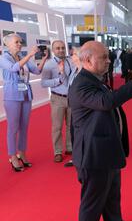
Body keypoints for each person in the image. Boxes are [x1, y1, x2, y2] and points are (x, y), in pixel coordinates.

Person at [69, 41, 132, 221]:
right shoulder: (82, 84)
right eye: (103, 57)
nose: (108, 60)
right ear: (87, 60)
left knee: (112, 193)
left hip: (105, 149)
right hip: (93, 154)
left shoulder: (94, 79)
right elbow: (107, 102)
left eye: (107, 56)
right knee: (93, 201)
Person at [0, 34, 49, 171]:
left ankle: (22, 152)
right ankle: (13, 156)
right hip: (12, 95)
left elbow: (37, 71)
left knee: (24, 126)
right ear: (8, 44)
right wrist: (30, 55)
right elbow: (14, 68)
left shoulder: (22, 57)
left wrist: (44, 59)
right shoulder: (3, 58)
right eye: (16, 42)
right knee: (13, 127)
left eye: (20, 42)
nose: (19, 44)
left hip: (26, 93)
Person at [41, 40, 76, 163]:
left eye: (62, 47)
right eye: (58, 48)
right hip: (57, 98)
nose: (61, 50)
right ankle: (57, 151)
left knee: (71, 125)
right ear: (53, 50)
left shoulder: (71, 61)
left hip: (72, 98)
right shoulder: (49, 64)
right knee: (57, 127)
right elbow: (43, 83)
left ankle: (70, 147)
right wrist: (58, 81)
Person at [63, 47, 82, 168]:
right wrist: (62, 73)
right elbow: (68, 85)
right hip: (73, 106)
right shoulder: (74, 70)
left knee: (80, 133)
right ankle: (76, 158)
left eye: (73, 54)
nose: (71, 57)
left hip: (81, 108)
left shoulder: (84, 71)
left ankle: (80, 158)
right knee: (73, 132)